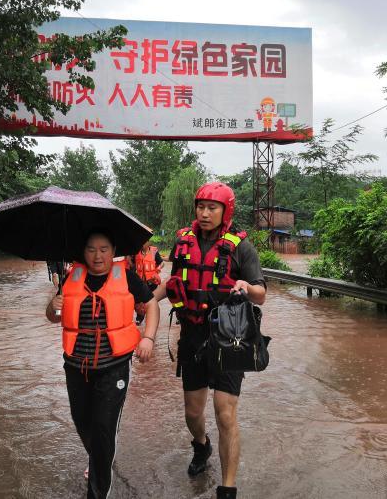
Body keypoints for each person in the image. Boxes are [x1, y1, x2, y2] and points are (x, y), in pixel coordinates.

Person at [153, 182, 266, 499]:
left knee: (225, 413)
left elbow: (262, 295)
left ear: (225, 211)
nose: (204, 213)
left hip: (231, 334)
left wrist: (246, 286)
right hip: (192, 333)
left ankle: (227, 488)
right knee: (192, 412)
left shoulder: (241, 247)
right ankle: (201, 446)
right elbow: (174, 282)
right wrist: (144, 303)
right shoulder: (183, 243)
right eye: (200, 207)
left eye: (211, 207)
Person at [46, 228, 159, 499]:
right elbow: (53, 317)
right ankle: (99, 458)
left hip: (114, 367)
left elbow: (152, 304)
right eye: (91, 249)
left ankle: (97, 491)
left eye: (104, 249)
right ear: (82, 253)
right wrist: (53, 305)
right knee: (82, 421)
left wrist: (149, 339)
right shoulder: (70, 278)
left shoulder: (127, 278)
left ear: (113, 251)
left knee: (104, 428)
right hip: (76, 366)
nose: (97, 256)